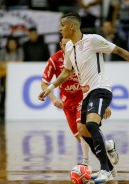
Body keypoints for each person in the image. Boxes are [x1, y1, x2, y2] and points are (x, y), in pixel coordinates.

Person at [38, 12, 129, 183]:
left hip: (100, 89)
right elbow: (66, 72)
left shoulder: (92, 40)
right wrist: (50, 88)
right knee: (83, 131)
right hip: (87, 93)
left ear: (72, 26)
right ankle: (109, 167)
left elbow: (119, 50)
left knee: (91, 124)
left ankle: (105, 169)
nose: (60, 29)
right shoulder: (68, 48)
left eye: (62, 25)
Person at [41, 37, 119, 167]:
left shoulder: (80, 56)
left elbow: (97, 81)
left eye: (69, 45)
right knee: (82, 136)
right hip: (67, 103)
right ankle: (108, 146)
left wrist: (104, 104)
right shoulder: (54, 60)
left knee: (82, 129)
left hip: (84, 98)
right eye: (65, 45)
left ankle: (86, 164)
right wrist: (54, 99)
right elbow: (44, 84)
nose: (67, 47)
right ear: (60, 45)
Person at [0, 36, 23, 120]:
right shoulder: (3, 51)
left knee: (15, 94)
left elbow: (20, 62)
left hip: (16, 78)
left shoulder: (19, 51)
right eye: (10, 43)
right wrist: (12, 65)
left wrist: (8, 64)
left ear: (16, 44)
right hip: (4, 77)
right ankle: (2, 113)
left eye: (13, 43)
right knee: (3, 94)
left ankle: (15, 112)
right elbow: (0, 62)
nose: (12, 45)